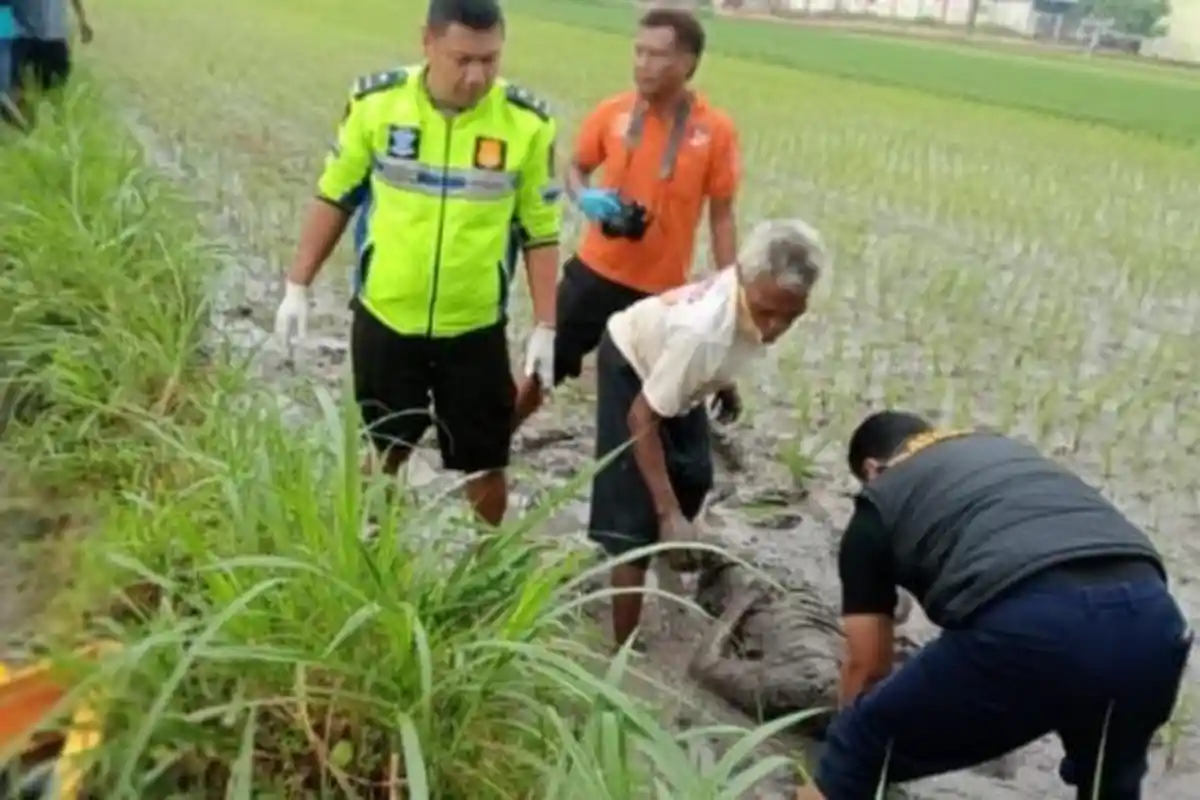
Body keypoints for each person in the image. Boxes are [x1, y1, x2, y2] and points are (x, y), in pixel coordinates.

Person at [799, 411, 1191, 800]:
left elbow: (866, 666)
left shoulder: (877, 504)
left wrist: (845, 751)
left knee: (857, 745)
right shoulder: (1005, 453)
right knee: (1109, 781)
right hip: (1153, 618)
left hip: (1036, 622)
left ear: (871, 468)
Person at [272, 0, 560, 526]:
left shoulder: (526, 123)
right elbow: (336, 196)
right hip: (386, 317)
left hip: (472, 327)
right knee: (385, 446)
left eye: (490, 60)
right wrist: (298, 285)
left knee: (486, 462)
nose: (477, 76)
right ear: (426, 43)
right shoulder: (376, 104)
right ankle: (364, 544)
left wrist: (546, 324)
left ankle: (488, 563)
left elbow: (540, 230)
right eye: (462, 59)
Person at [588, 219, 825, 651]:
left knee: (694, 475)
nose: (773, 328)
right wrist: (665, 514)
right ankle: (623, 644)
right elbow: (641, 418)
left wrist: (724, 382)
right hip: (633, 365)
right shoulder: (703, 333)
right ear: (746, 282)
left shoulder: (745, 289)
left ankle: (665, 538)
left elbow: (733, 339)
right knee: (633, 515)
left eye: (789, 317)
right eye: (766, 312)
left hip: (680, 374)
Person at [511, 8, 741, 431]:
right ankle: (492, 447)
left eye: (657, 55)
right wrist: (585, 196)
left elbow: (722, 219)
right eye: (639, 52)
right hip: (595, 271)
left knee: (650, 403)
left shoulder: (716, 131)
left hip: (660, 291)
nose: (643, 64)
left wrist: (729, 298)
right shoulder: (612, 112)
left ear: (687, 63)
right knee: (539, 370)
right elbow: (576, 168)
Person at [10, 0, 91, 98]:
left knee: (55, 91)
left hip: (55, 36)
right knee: (18, 94)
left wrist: (82, 21)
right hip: (23, 37)